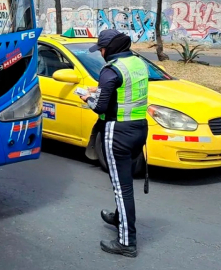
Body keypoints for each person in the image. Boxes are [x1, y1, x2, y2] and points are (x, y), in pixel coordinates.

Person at [79, 29, 149, 258]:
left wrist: (87, 97)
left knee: (122, 188)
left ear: (109, 49)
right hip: (139, 128)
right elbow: (123, 92)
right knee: (124, 182)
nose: (99, 52)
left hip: (117, 132)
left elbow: (99, 106)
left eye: (101, 48)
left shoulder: (111, 69)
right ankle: (120, 218)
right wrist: (99, 91)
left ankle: (127, 243)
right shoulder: (137, 63)